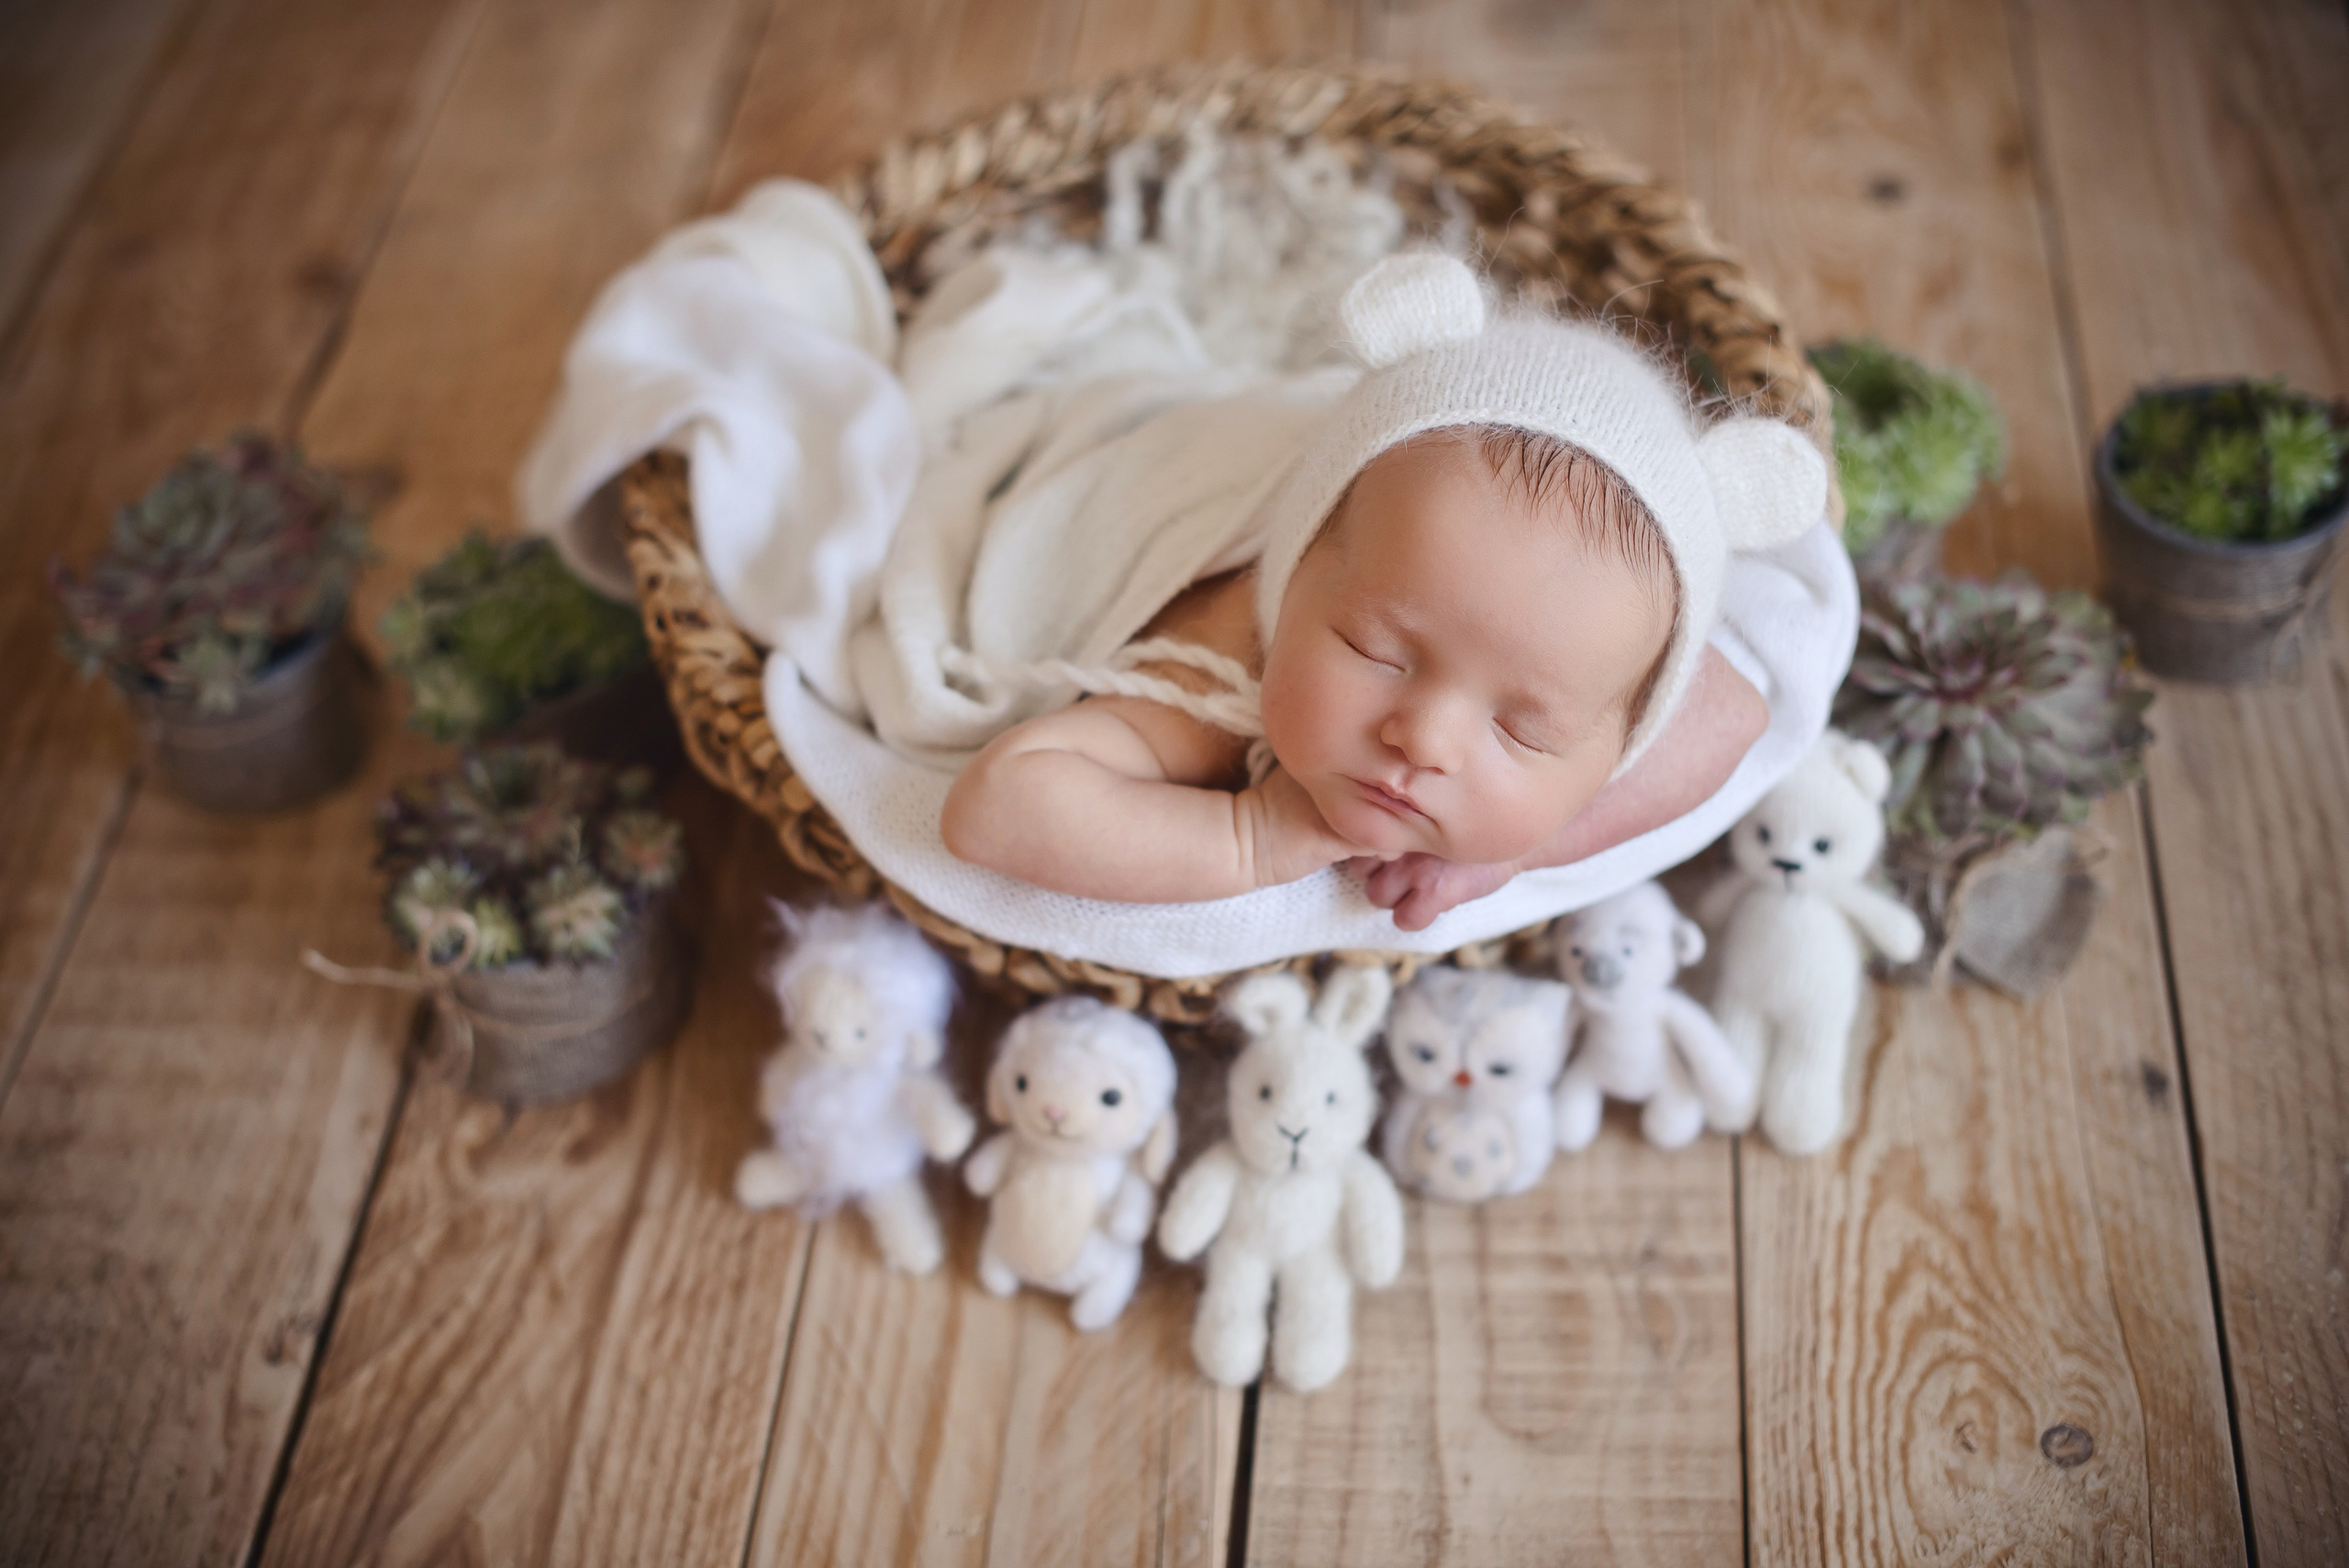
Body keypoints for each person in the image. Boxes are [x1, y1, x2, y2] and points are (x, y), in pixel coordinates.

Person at [941, 254, 1826, 929]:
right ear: (1295, 580)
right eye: (1379, 652)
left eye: (1523, 728)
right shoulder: (1222, 677)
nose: (1426, 738)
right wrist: (1255, 839)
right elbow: (996, 808)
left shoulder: (1608, 640)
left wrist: (1514, 855)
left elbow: (1734, 715)